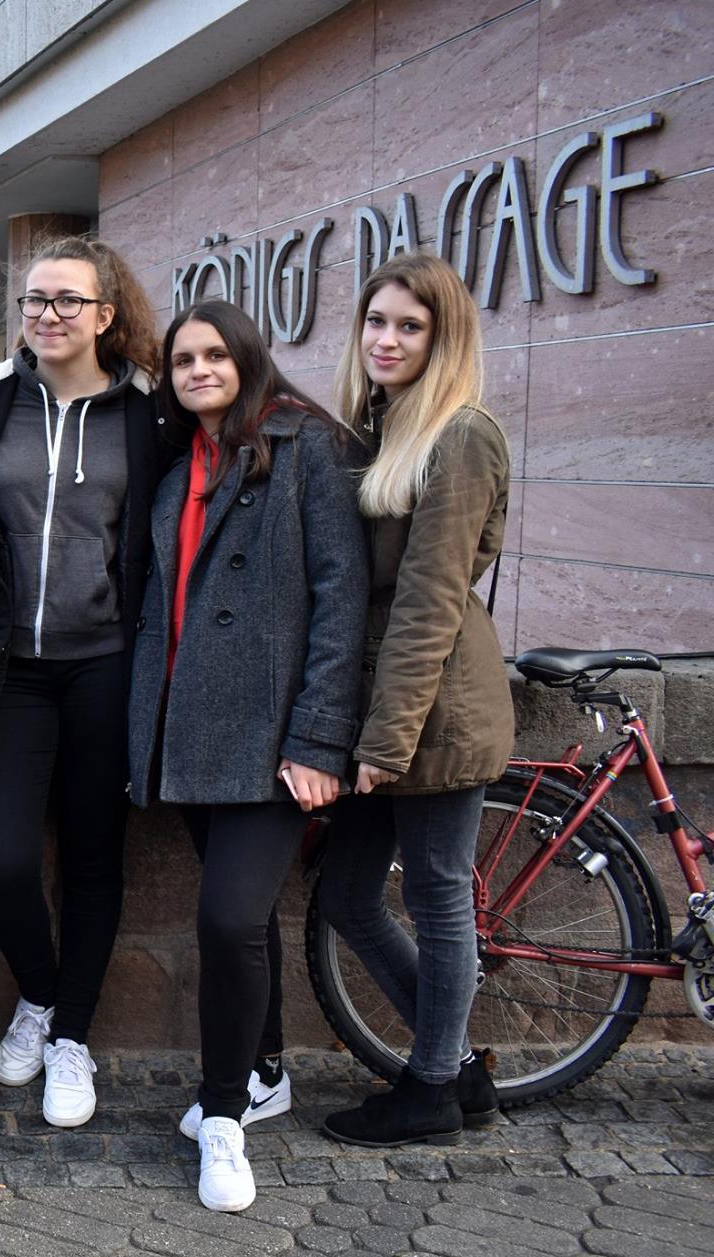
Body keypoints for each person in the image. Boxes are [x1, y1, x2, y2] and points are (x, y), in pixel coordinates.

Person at [127, 300, 367, 1211]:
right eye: (183, 359)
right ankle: (265, 1071)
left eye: (215, 355)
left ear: (248, 358)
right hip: (189, 728)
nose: (197, 370)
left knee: (227, 920)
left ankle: (223, 1114)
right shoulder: (179, 464)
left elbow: (340, 599)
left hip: (272, 738)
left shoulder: (305, 446)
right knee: (249, 917)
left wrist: (318, 738)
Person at [0, 234, 161, 1129]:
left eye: (68, 300)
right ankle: (39, 992)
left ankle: (72, 1035)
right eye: (35, 299)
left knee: (95, 856)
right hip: (12, 668)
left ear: (105, 313)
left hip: (105, 662)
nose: (48, 315)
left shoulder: (146, 415)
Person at [319, 251, 513, 1147]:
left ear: (444, 337)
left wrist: (385, 740)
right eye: (377, 321)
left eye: (410, 325)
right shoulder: (382, 423)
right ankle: (454, 1067)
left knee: (437, 896)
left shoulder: (459, 434)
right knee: (348, 895)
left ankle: (432, 1087)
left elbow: (431, 598)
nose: (387, 339)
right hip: (386, 709)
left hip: (436, 709)